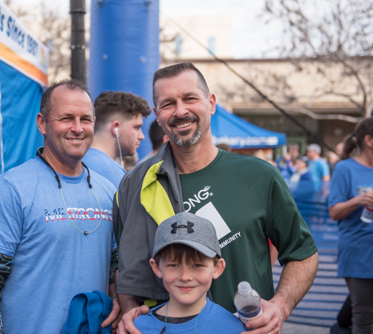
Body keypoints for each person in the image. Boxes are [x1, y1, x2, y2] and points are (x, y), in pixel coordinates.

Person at [114, 62, 318, 334]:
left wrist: (280, 306)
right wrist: (129, 308)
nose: (180, 111)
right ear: (157, 115)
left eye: (190, 98)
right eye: (168, 104)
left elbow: (303, 254)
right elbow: (121, 263)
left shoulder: (259, 176)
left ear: (210, 103)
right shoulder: (133, 186)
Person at [0, 80, 120, 334]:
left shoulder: (108, 191)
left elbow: (115, 267)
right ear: (42, 123)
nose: (78, 128)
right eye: (66, 118)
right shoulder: (10, 189)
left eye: (85, 119)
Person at [133, 212, 245, 333]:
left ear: (217, 268)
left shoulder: (235, 328)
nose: (185, 277)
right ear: (157, 267)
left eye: (197, 265)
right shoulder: (137, 328)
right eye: (173, 265)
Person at [329, 117, 373, 334]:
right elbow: (334, 212)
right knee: (364, 316)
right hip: (359, 254)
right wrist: (360, 200)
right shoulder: (345, 169)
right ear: (369, 140)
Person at [83, 91, 151, 188]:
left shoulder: (76, 162)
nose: (141, 136)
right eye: (136, 127)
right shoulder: (112, 173)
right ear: (116, 127)